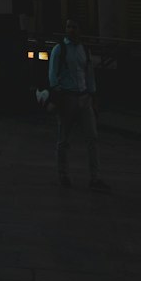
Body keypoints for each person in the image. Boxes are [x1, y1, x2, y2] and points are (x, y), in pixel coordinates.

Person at [48, 19, 110, 192]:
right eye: (69, 26)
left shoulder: (84, 50)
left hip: (83, 98)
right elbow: (53, 75)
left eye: (74, 27)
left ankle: (94, 177)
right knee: (64, 140)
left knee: (92, 138)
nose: (71, 30)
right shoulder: (60, 49)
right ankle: (64, 175)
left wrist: (92, 95)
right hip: (68, 97)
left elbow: (88, 74)